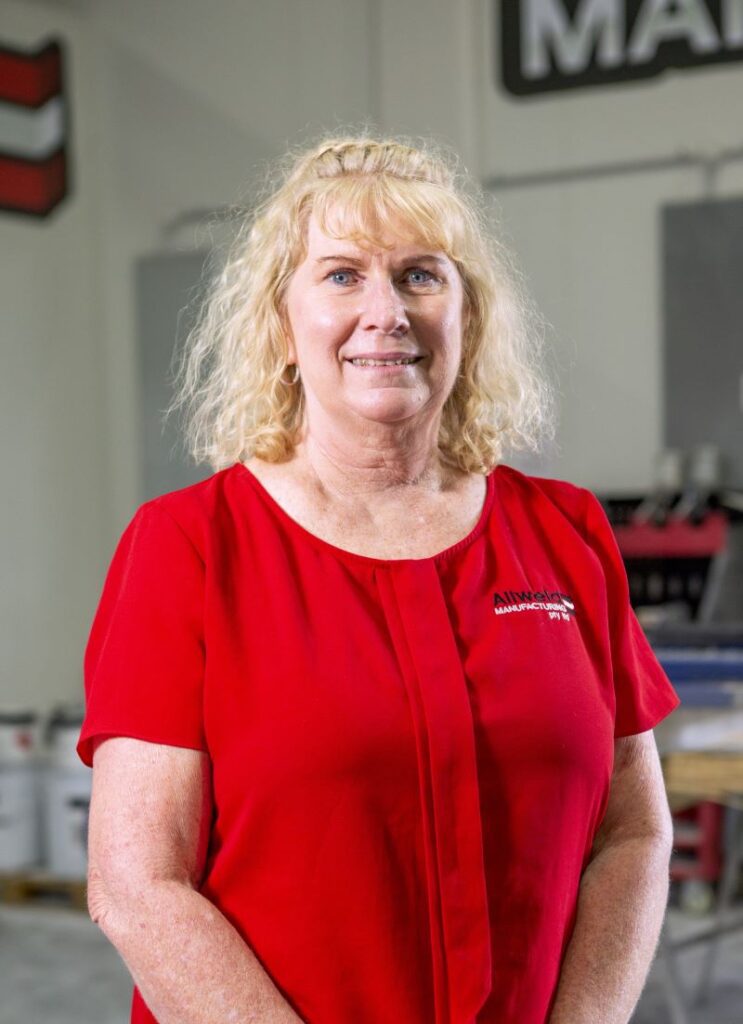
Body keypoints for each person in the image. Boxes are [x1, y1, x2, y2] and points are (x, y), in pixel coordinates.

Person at [77, 134, 681, 1024]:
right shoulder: (189, 547)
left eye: (419, 275)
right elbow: (137, 885)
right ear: (281, 327)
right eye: (341, 276)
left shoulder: (564, 534)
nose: (386, 311)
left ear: (467, 319)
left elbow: (634, 830)